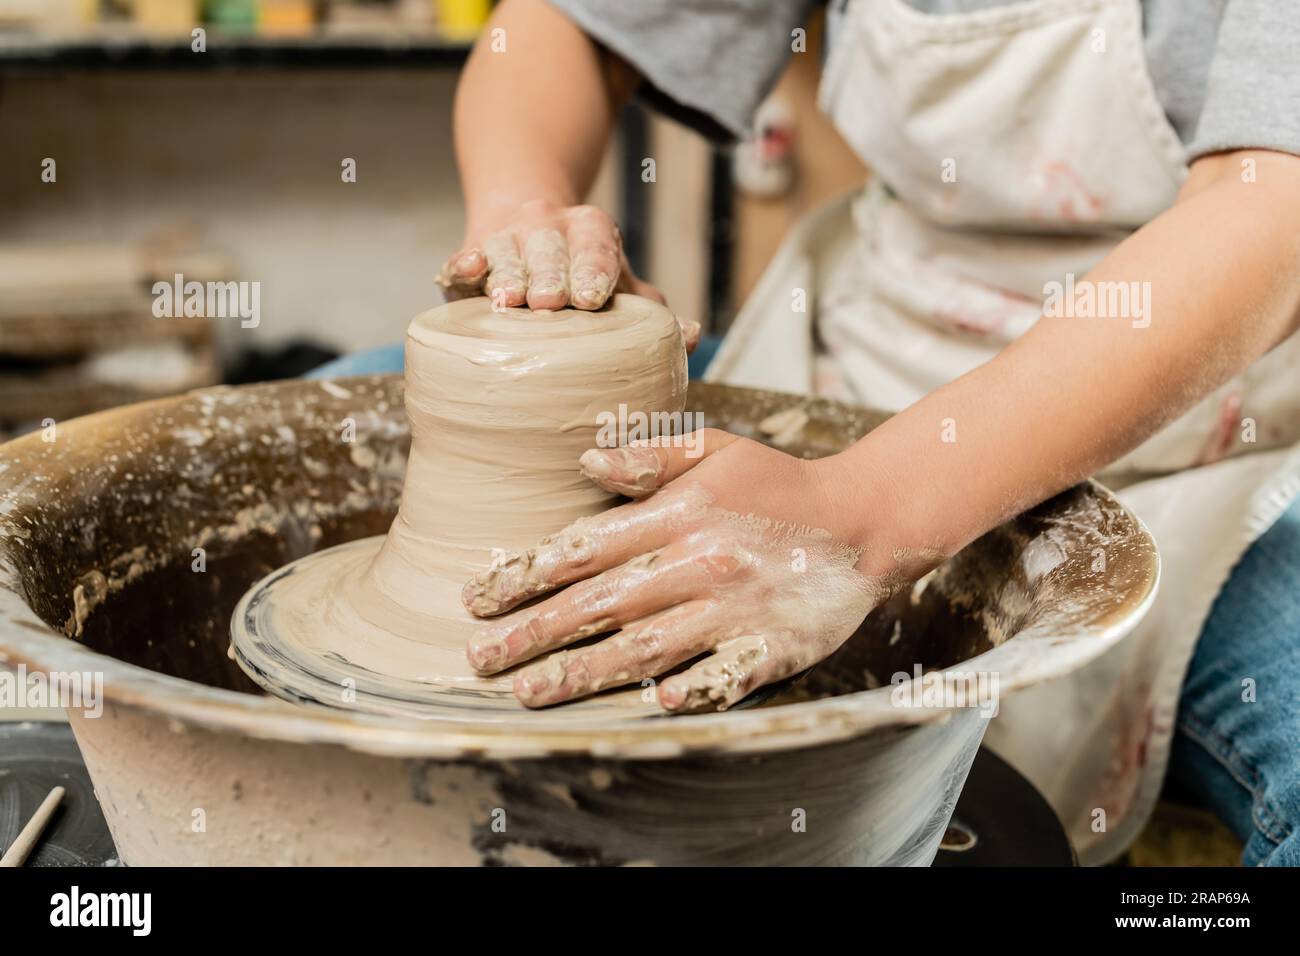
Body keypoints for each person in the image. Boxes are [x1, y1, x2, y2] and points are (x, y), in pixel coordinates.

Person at [314, 0, 1300, 866]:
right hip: (871, 352)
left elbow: (1269, 210)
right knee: (341, 403)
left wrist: (853, 516)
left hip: (1211, 429)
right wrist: (524, 212)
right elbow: (563, 27)